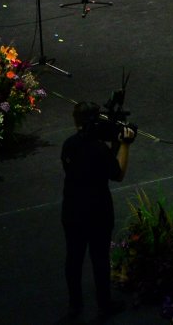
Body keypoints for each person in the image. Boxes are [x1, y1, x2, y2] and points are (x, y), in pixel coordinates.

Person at [61, 101, 133, 319]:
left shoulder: (68, 145)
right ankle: (104, 303)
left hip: (72, 208)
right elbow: (117, 173)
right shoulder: (99, 149)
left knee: (73, 257)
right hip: (98, 209)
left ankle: (75, 305)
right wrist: (125, 145)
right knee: (99, 257)